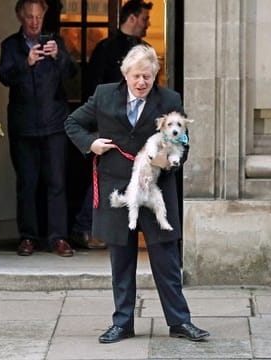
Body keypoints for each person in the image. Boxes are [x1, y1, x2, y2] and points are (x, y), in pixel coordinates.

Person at [65, 44, 210, 343]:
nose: (142, 82)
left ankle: (180, 321)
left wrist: (171, 161)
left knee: (166, 258)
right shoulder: (104, 95)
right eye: (136, 76)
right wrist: (90, 144)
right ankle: (122, 322)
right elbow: (72, 122)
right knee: (121, 258)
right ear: (125, 75)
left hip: (157, 188)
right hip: (117, 186)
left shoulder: (169, 99)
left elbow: (183, 140)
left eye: (147, 76)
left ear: (155, 76)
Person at [69, 0, 153, 250]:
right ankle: (84, 227)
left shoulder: (144, 50)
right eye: (145, 19)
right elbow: (93, 87)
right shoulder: (106, 48)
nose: (147, 24)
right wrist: (94, 128)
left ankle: (114, 230)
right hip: (108, 127)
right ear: (132, 18)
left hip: (135, 127)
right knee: (104, 177)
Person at [0, 0, 77, 257]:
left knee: (57, 183)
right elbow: (3, 76)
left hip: (54, 124)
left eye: (38, 17)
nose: (34, 22)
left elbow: (73, 73)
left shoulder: (56, 42)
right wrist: (26, 62)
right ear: (20, 17)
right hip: (24, 126)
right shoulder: (10, 45)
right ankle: (28, 237)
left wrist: (58, 56)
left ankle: (58, 238)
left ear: (44, 18)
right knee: (27, 184)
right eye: (29, 17)